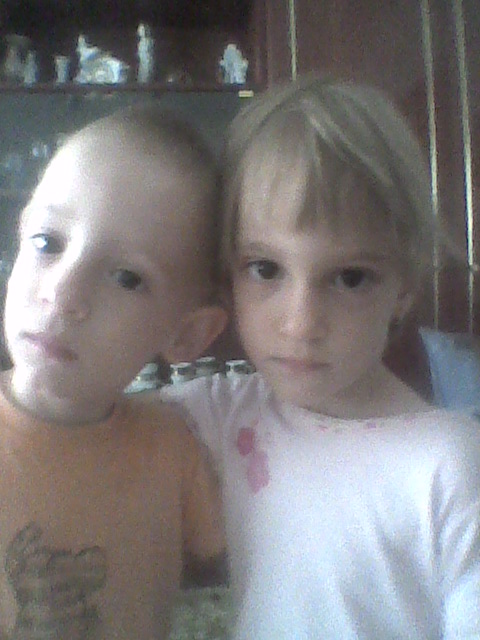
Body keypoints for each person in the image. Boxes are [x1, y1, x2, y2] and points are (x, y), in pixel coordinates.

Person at [161, 76, 480, 639]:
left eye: (350, 278)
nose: (302, 324)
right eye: (265, 269)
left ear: (404, 286)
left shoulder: (451, 464)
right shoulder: (219, 416)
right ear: (227, 275)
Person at [0, 104, 227, 640]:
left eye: (126, 277)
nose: (63, 293)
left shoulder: (174, 448)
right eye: (48, 243)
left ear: (187, 334)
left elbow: (220, 577)